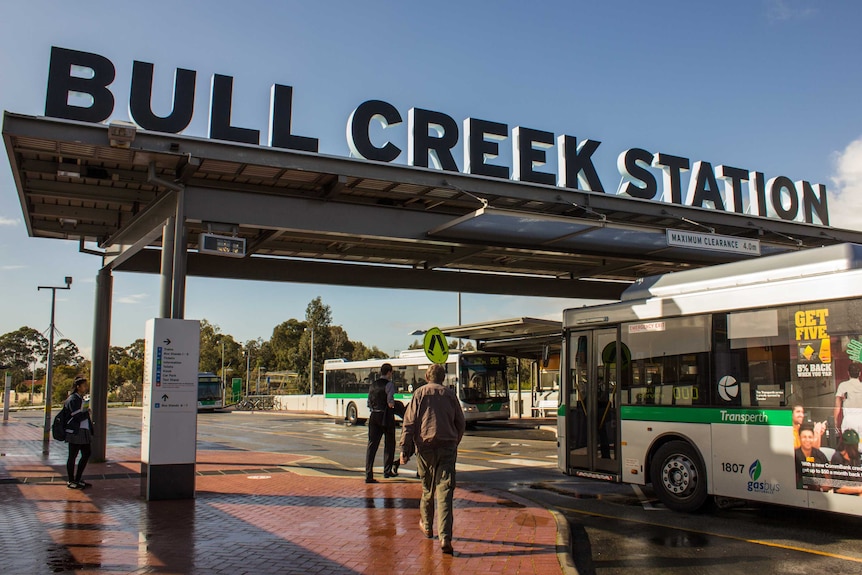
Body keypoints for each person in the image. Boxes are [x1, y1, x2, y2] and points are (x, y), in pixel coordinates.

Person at [399, 363, 466, 555]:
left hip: (425, 448)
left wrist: (404, 448)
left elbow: (409, 423)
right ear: (443, 378)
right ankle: (445, 537)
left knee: (427, 488)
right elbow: (460, 423)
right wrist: (454, 441)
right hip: (447, 446)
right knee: (445, 492)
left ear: (428, 377)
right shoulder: (450, 395)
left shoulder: (419, 394)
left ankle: (427, 525)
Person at [365, 363, 398, 483]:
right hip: (386, 416)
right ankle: (387, 470)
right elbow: (390, 402)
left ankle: (368, 474)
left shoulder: (373, 384)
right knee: (389, 443)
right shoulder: (389, 385)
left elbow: (369, 402)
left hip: (374, 415)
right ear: (389, 372)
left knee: (372, 445)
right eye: (391, 372)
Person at [64, 375, 94, 489]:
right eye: (84, 385)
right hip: (75, 431)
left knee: (86, 453)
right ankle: (71, 480)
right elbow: (75, 415)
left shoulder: (80, 398)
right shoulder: (73, 399)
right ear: (78, 386)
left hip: (83, 431)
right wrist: (86, 412)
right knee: (73, 456)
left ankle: (78, 478)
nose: (86, 387)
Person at [795, 422, 830, 491]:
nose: (807, 440)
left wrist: (821, 488)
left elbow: (829, 479)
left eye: (810, 437)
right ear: (799, 438)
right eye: (804, 437)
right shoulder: (794, 455)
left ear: (813, 438)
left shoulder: (820, 455)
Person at [830, 429, 862, 495]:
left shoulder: (857, 457)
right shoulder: (837, 458)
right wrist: (859, 489)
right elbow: (839, 488)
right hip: (845, 497)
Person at [834, 363, 862, 436]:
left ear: (848, 373)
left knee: (849, 444)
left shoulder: (843, 386)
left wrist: (835, 420)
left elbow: (837, 406)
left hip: (849, 420)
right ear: (860, 373)